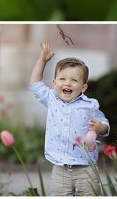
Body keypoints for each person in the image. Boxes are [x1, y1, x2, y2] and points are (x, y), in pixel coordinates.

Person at [29, 41, 110, 196]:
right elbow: (35, 85)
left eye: (74, 80)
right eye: (62, 79)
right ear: (54, 83)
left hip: (86, 169)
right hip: (60, 169)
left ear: (83, 87)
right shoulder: (51, 99)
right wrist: (42, 60)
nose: (67, 83)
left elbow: (104, 123)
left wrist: (101, 127)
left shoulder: (89, 105)